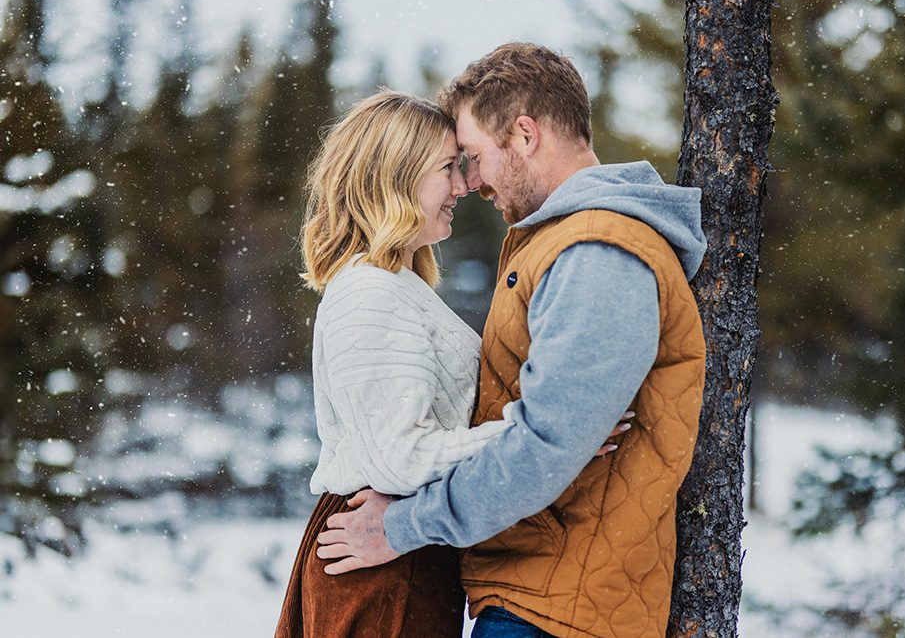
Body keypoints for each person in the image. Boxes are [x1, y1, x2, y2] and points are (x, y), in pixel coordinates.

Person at [317, 43, 708, 638]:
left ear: (524, 135)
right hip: (537, 591)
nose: (470, 183)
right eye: (452, 166)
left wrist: (402, 527)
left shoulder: (596, 251)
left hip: (560, 604)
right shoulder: (561, 245)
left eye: (469, 157)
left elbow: (547, 447)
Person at [274, 91, 629, 638]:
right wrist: (541, 435)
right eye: (447, 168)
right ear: (396, 176)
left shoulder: (396, 284)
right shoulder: (368, 293)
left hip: (401, 554)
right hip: (378, 558)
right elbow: (400, 460)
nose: (463, 186)